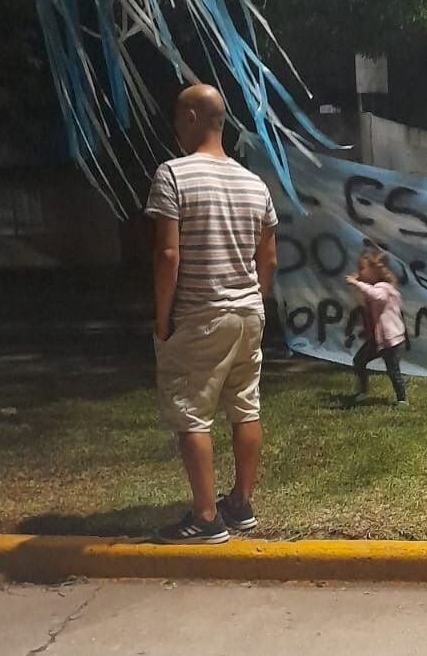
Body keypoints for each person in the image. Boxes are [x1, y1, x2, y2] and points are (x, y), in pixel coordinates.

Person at [146, 84, 278, 544]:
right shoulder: (253, 182)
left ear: (190, 118)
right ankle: (240, 503)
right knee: (245, 406)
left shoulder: (173, 175)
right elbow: (269, 256)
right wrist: (254, 298)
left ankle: (205, 516)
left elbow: (167, 255)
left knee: (191, 412)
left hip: (201, 314)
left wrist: (163, 317)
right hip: (248, 314)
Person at [346, 251, 408, 406]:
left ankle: (402, 399)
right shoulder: (375, 287)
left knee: (393, 370)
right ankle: (362, 390)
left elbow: (377, 296)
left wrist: (357, 283)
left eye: (362, 269)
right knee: (359, 360)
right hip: (377, 338)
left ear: (375, 271)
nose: (359, 272)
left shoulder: (384, 288)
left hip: (390, 339)